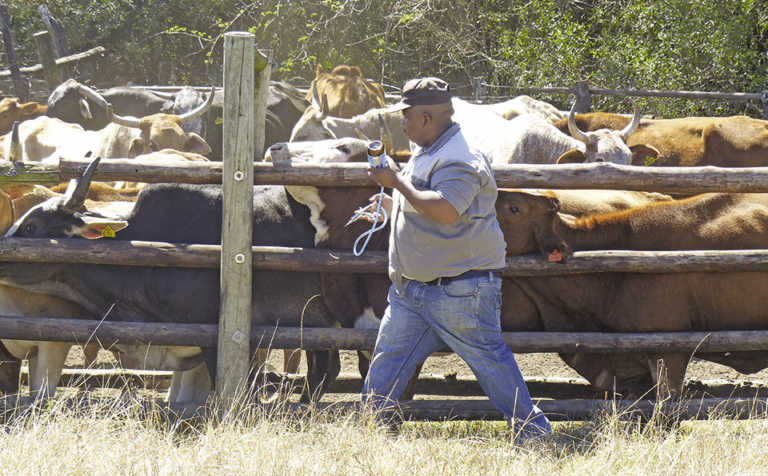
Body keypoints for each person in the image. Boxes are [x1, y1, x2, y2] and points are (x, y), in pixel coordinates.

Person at [361, 77, 551, 440]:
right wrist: (393, 206)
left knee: (490, 364)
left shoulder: (461, 158)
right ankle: (372, 431)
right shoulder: (432, 149)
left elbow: (447, 209)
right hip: (416, 288)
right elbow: (426, 199)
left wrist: (396, 184)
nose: (402, 123)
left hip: (460, 289)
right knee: (388, 358)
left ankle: (534, 431)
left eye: (407, 116)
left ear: (428, 118)